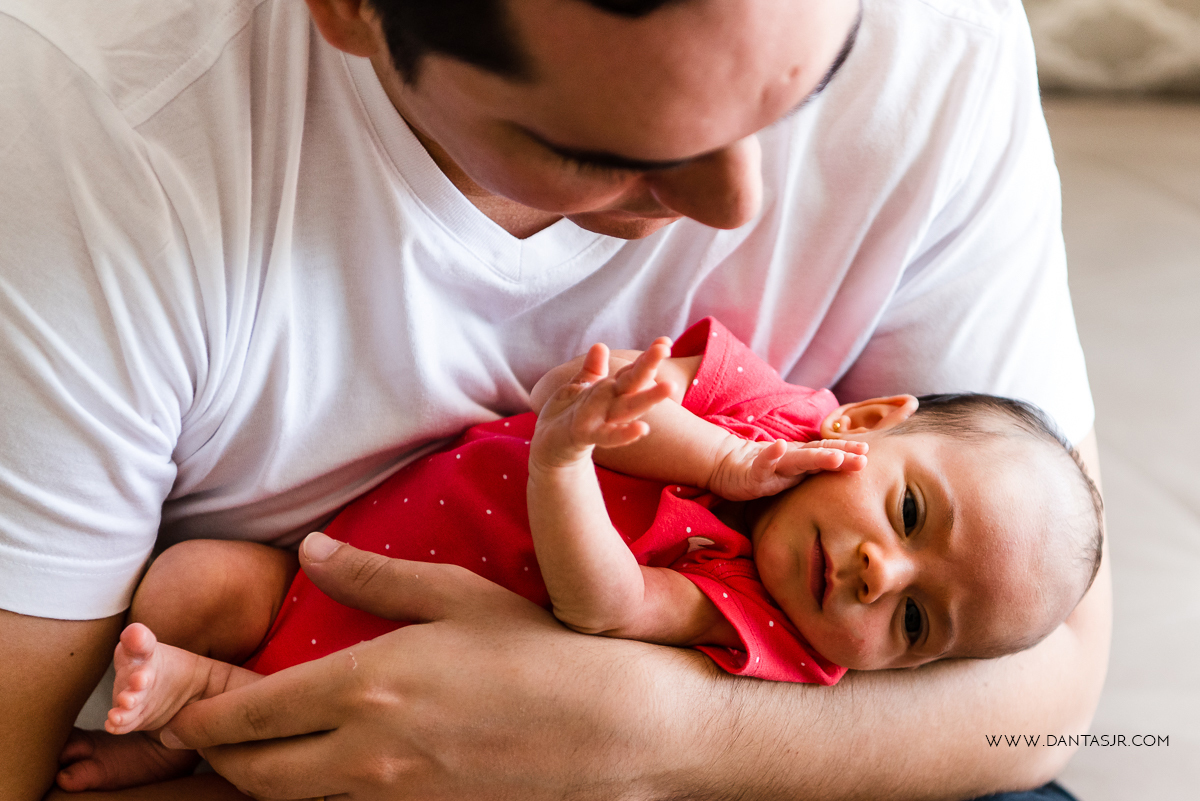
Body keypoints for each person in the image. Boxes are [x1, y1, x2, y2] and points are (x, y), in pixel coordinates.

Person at [0, 0, 1109, 799]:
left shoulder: (939, 45)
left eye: (798, 96)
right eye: (611, 150)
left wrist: (644, 732)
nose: (738, 204)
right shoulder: (102, 131)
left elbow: (1041, 693)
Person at [59, 320, 1100, 794]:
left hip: (440, 702)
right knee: (192, 585)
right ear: (865, 422)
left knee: (289, 766)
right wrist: (729, 457)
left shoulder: (767, 624)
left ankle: (181, 733)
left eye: (915, 624)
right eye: (910, 511)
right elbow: (615, 397)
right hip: (311, 575)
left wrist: (562, 471)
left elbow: (609, 606)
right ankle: (180, 713)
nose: (885, 574)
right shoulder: (776, 413)